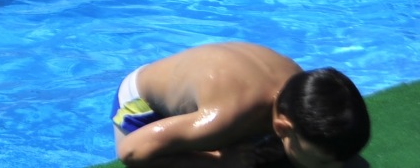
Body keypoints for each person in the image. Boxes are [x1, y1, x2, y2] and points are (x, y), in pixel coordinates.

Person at [110, 44, 369, 167]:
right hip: (143, 109)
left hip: (216, 93)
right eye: (323, 163)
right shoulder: (224, 118)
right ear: (283, 128)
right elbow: (131, 152)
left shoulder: (302, 92)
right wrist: (219, 163)